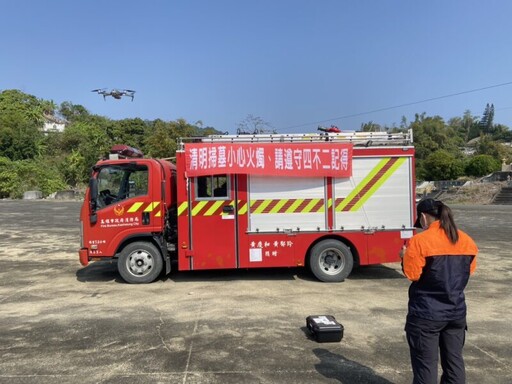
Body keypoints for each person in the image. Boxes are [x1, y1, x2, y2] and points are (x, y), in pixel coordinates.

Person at [400, 198, 478, 384]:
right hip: (456, 312)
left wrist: (404, 257)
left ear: (423, 217)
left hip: (426, 314)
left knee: (426, 367)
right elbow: (470, 270)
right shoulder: (466, 240)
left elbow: (413, 274)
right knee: (454, 364)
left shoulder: (419, 241)